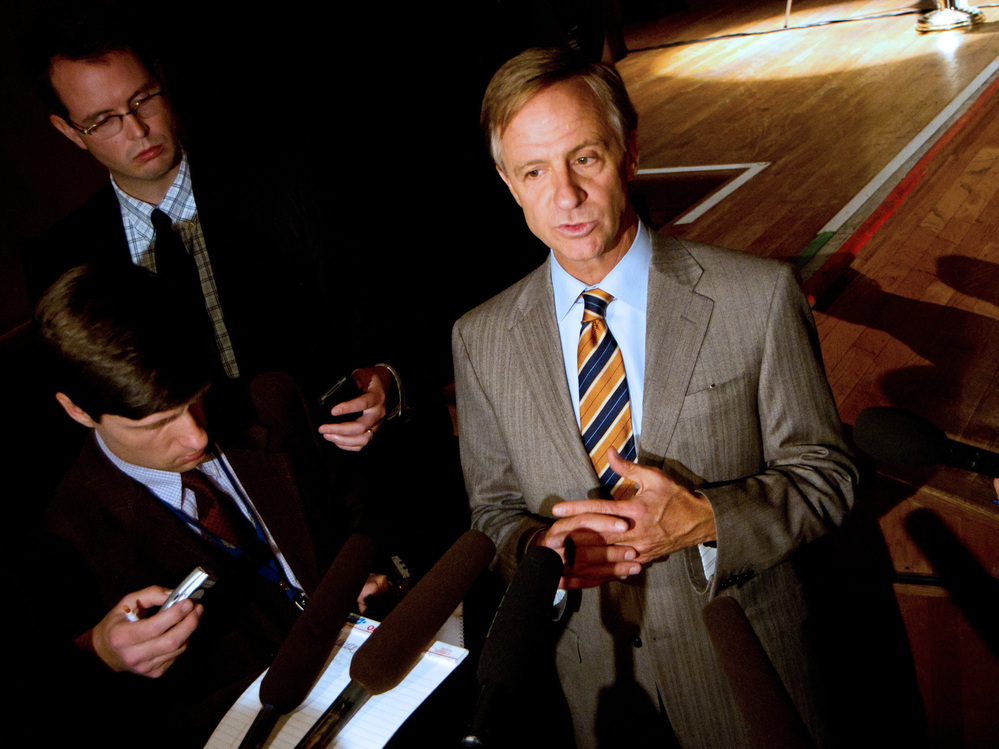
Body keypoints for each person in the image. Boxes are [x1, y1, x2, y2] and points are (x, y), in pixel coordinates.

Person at [452, 47, 860, 748]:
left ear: (630, 152)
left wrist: (707, 519)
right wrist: (535, 549)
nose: (565, 196)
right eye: (533, 171)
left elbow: (827, 475)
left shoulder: (755, 297)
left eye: (584, 158)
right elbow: (492, 509)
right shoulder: (479, 337)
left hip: (747, 670)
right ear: (507, 183)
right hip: (595, 691)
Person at [36, 262, 388, 744]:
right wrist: (104, 656)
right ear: (77, 409)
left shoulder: (272, 401)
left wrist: (373, 579)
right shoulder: (65, 539)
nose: (196, 435)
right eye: (156, 423)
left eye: (196, 398)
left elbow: (362, 518)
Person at [20, 5, 398, 451]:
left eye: (143, 99)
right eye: (103, 121)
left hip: (334, 465)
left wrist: (386, 381)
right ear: (69, 131)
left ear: (161, 76)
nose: (138, 130)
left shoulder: (285, 180)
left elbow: (383, 321)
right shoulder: (59, 261)